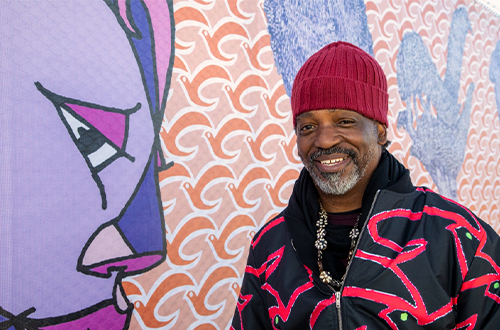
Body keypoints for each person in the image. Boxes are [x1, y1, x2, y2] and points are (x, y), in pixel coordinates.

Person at [231, 41, 500, 329]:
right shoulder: (270, 246)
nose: (324, 140)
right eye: (308, 126)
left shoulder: (459, 236)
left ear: (380, 131)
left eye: (345, 121)